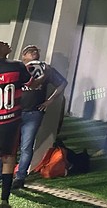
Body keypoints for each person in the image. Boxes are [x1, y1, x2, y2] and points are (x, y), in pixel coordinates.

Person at [13, 45, 66, 189]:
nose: (34, 53)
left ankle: (20, 177)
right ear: (23, 55)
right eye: (30, 51)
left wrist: (50, 100)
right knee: (9, 145)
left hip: (33, 113)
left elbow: (62, 83)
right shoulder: (18, 68)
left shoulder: (46, 69)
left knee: (26, 146)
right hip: (15, 112)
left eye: (36, 51)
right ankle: (5, 173)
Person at [0, 41, 31, 207]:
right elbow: (30, 82)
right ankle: (4, 199)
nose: (6, 44)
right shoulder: (17, 67)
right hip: (10, 122)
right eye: (2, 43)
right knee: (9, 158)